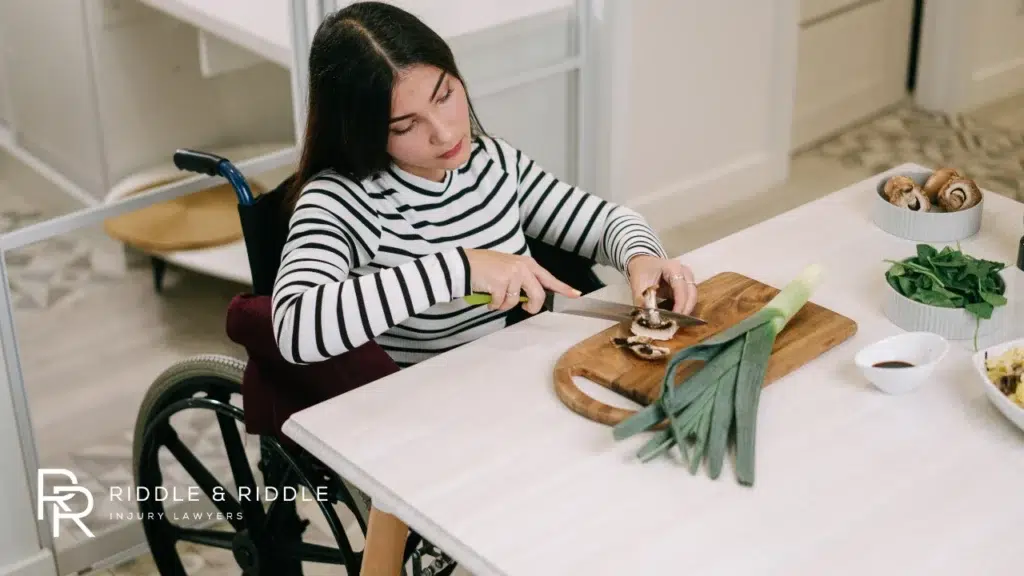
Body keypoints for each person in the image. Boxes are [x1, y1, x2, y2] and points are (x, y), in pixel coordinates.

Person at [272, 1, 698, 368]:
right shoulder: (343, 199)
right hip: (408, 404)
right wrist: (462, 268)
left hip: (497, 374)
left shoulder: (491, 162)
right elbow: (294, 330)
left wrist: (642, 256)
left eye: (445, 95)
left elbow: (605, 223)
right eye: (405, 125)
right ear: (361, 131)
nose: (444, 132)